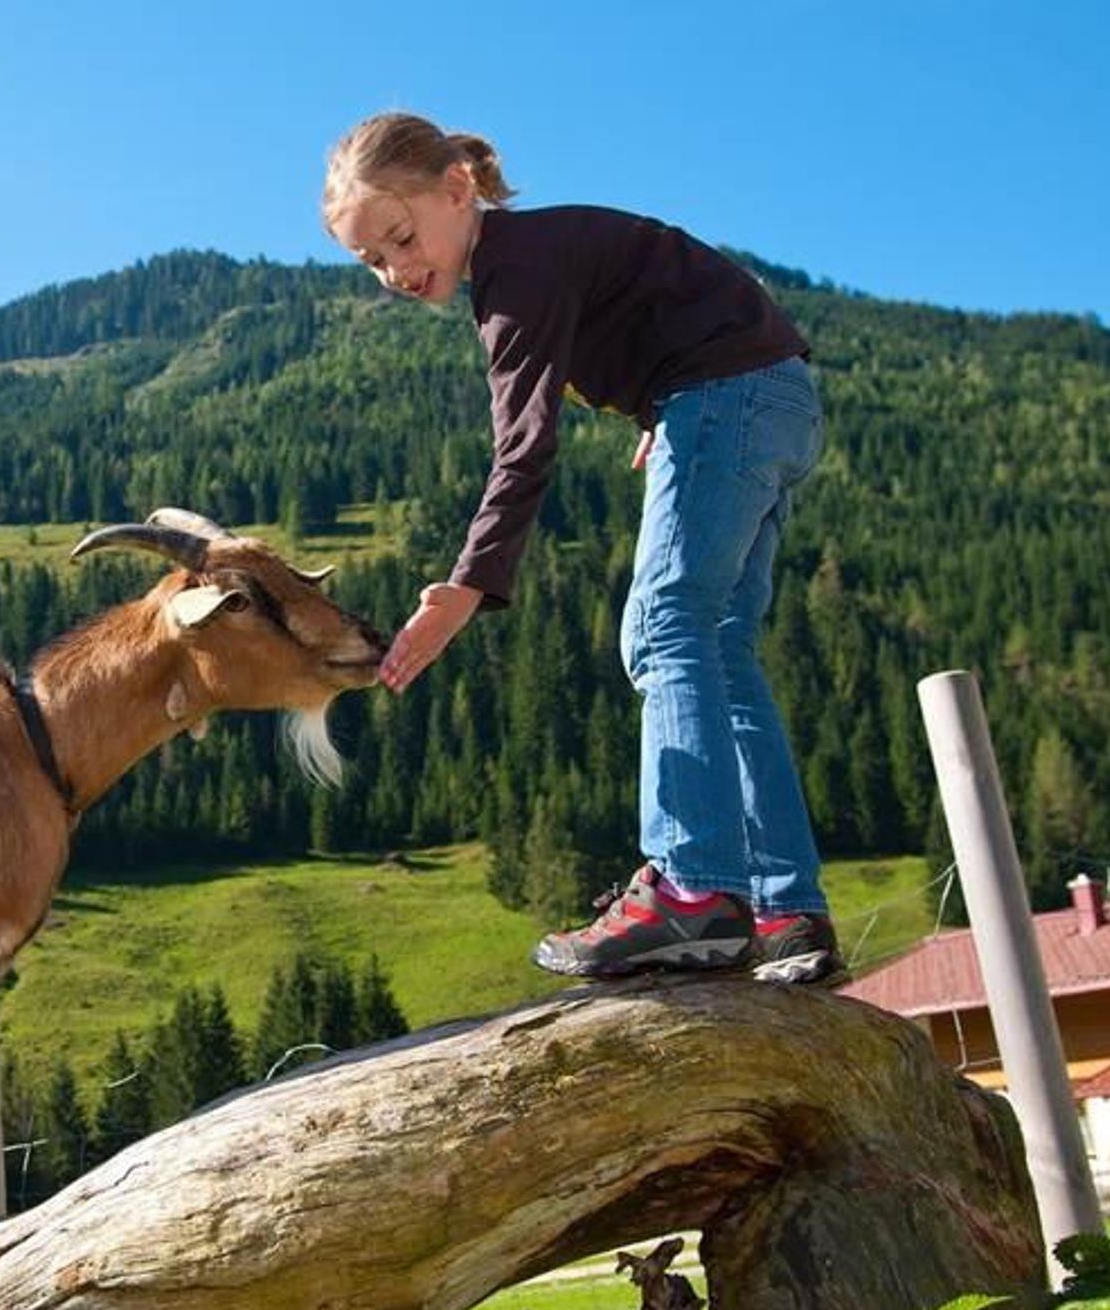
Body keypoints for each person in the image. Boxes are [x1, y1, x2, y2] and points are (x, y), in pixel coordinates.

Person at [321, 111, 843, 986]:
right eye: (372, 261)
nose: (395, 272)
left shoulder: (515, 271)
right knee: (719, 649)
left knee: (664, 629)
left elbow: (523, 449)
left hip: (726, 397)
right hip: (773, 397)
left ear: (457, 188)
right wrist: (659, 408)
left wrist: (466, 588)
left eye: (401, 240)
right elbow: (669, 299)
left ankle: (693, 887)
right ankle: (788, 913)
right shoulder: (540, 253)